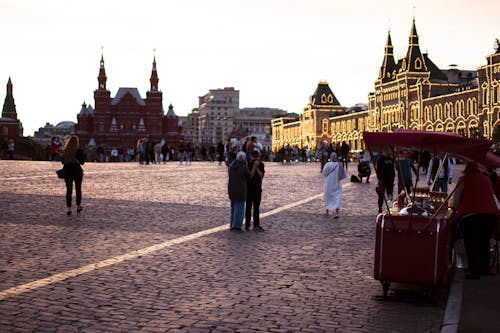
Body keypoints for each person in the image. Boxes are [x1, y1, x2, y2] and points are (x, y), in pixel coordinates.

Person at [451, 162, 498, 279]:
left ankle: (474, 271)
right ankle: (484, 268)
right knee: (484, 242)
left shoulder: (464, 179)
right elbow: (489, 195)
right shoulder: (486, 179)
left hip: (471, 216)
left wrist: (455, 208)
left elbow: (456, 200)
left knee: (472, 244)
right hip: (490, 215)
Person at [228, 151, 255, 231]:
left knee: (233, 207)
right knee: (239, 208)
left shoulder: (232, 166)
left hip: (231, 189)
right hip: (240, 190)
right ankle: (237, 226)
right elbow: (249, 177)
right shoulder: (243, 167)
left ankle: (232, 224)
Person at [61, 135, 85, 216]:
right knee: (78, 189)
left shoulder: (65, 151)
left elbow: (62, 162)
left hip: (67, 171)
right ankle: (78, 207)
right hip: (77, 171)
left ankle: (69, 209)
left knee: (69, 190)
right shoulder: (78, 151)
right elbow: (82, 162)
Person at [245, 149, 265, 231]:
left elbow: (261, 176)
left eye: (256, 157)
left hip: (257, 188)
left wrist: (257, 168)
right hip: (249, 188)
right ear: (251, 157)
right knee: (248, 207)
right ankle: (247, 225)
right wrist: (254, 166)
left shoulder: (261, 164)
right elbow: (250, 176)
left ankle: (256, 225)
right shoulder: (248, 164)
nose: (255, 159)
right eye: (254, 157)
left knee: (256, 208)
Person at [322, 152, 347, 218]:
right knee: (337, 195)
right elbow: (342, 176)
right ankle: (336, 208)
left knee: (328, 195)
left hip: (329, 183)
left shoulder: (328, 164)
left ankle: (327, 208)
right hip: (337, 182)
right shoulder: (339, 164)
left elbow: (324, 172)